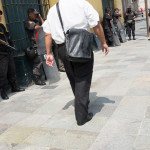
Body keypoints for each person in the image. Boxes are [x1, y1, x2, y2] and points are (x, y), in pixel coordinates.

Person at [42, 0, 109, 126]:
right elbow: (96, 24)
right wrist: (103, 42)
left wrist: (49, 53)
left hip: (62, 48)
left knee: (73, 78)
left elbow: (47, 34)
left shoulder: (52, 9)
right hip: (80, 44)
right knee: (83, 79)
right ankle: (81, 116)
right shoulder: (82, 4)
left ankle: (81, 103)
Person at [0, 10, 25, 100]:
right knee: (2, 74)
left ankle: (14, 87)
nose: (0, 16)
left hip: (8, 52)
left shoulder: (1, 26)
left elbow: (7, 36)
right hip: (1, 55)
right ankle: (3, 92)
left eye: (0, 15)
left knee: (12, 71)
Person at [24, 8, 46, 86]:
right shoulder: (27, 22)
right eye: (34, 14)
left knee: (43, 60)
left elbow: (43, 25)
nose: (36, 15)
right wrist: (43, 26)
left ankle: (44, 76)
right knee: (38, 62)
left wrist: (40, 17)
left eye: (37, 13)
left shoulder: (37, 21)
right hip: (35, 45)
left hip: (42, 43)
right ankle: (37, 79)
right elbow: (37, 27)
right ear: (30, 14)